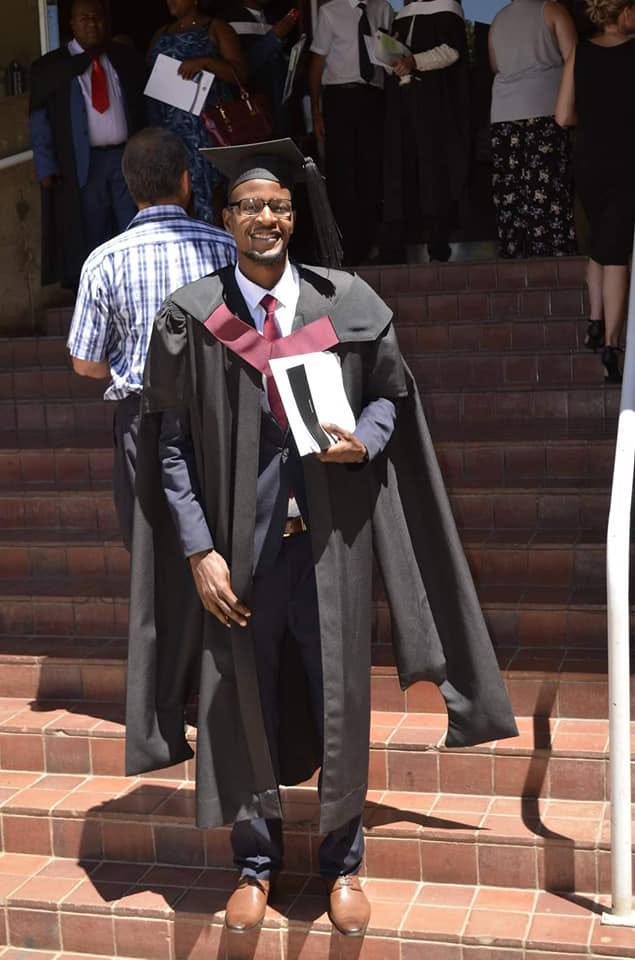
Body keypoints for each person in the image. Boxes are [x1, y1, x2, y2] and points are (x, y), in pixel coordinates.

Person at [124, 138, 518, 935]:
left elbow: (389, 400)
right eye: (247, 207)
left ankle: (343, 864)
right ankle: (255, 863)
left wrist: (364, 442)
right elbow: (168, 447)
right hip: (237, 554)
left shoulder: (346, 304)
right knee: (241, 699)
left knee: (340, 695)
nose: (263, 218)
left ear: (293, 217)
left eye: (276, 206)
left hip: (328, 545)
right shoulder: (193, 317)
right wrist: (200, 551)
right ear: (226, 219)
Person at [66, 127, 237, 549]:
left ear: (129, 188)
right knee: (225, 540)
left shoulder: (103, 262)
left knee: (154, 554)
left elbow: (86, 363)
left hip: (143, 421)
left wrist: (127, 361)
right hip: (219, 410)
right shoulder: (227, 248)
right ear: (185, 180)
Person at [29, 0, 147, 288]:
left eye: (98, 18)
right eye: (85, 18)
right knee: (92, 229)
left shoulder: (121, 58)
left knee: (132, 224)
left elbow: (143, 104)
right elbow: (39, 119)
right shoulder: (51, 67)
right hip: (83, 164)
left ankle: (134, 285)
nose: (92, 23)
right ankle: (102, 291)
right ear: (72, 23)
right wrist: (45, 166)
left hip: (125, 159)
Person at [556, 0, 635, 383]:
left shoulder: (579, 52)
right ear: (624, 13)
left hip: (588, 159)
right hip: (626, 159)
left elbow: (562, 116)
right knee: (616, 252)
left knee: (598, 244)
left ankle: (594, 319)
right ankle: (612, 344)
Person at [380, 0, 470, 263]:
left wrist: (413, 61)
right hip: (401, 102)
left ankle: (438, 242)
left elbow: (451, 51)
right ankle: (398, 244)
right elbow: (391, 51)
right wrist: (391, 62)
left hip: (434, 102)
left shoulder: (447, 7)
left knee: (434, 168)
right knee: (399, 168)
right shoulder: (403, 15)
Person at [489, 0, 578, 259]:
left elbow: (496, 66)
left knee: (510, 194)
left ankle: (515, 257)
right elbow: (574, 58)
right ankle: (555, 259)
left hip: (504, 114)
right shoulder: (552, 10)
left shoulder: (498, 19)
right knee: (548, 191)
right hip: (545, 108)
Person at [309, 0, 394, 266]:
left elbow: (388, 56)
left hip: (373, 97)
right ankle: (346, 247)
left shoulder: (383, 9)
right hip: (340, 98)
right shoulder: (330, 11)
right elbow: (317, 63)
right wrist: (316, 111)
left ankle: (370, 243)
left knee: (372, 172)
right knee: (342, 174)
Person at [147, 0, 247, 222]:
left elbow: (240, 74)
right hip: (170, 132)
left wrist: (206, 63)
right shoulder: (160, 33)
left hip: (208, 131)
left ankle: (217, 249)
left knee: (213, 197)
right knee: (173, 194)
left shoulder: (216, 28)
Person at [216, 0, 302, 134]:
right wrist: (273, 38)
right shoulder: (227, 21)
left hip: (278, 107)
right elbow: (241, 69)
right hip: (250, 110)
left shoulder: (273, 17)